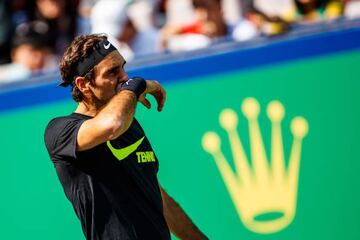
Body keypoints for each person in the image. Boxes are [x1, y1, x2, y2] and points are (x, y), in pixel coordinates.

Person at [44, 34, 208, 240]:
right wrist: (138, 85)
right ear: (83, 84)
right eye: (112, 72)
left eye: (123, 67)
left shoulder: (129, 124)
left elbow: (160, 199)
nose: (124, 77)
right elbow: (112, 124)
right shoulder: (61, 130)